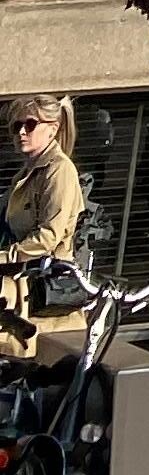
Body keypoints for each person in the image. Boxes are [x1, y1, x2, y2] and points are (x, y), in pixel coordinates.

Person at [0, 96, 84, 364]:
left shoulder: (59, 171)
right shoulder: (26, 173)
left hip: (41, 289)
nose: (21, 132)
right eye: (16, 126)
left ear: (53, 128)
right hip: (18, 285)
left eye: (30, 124)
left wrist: (5, 257)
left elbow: (48, 237)